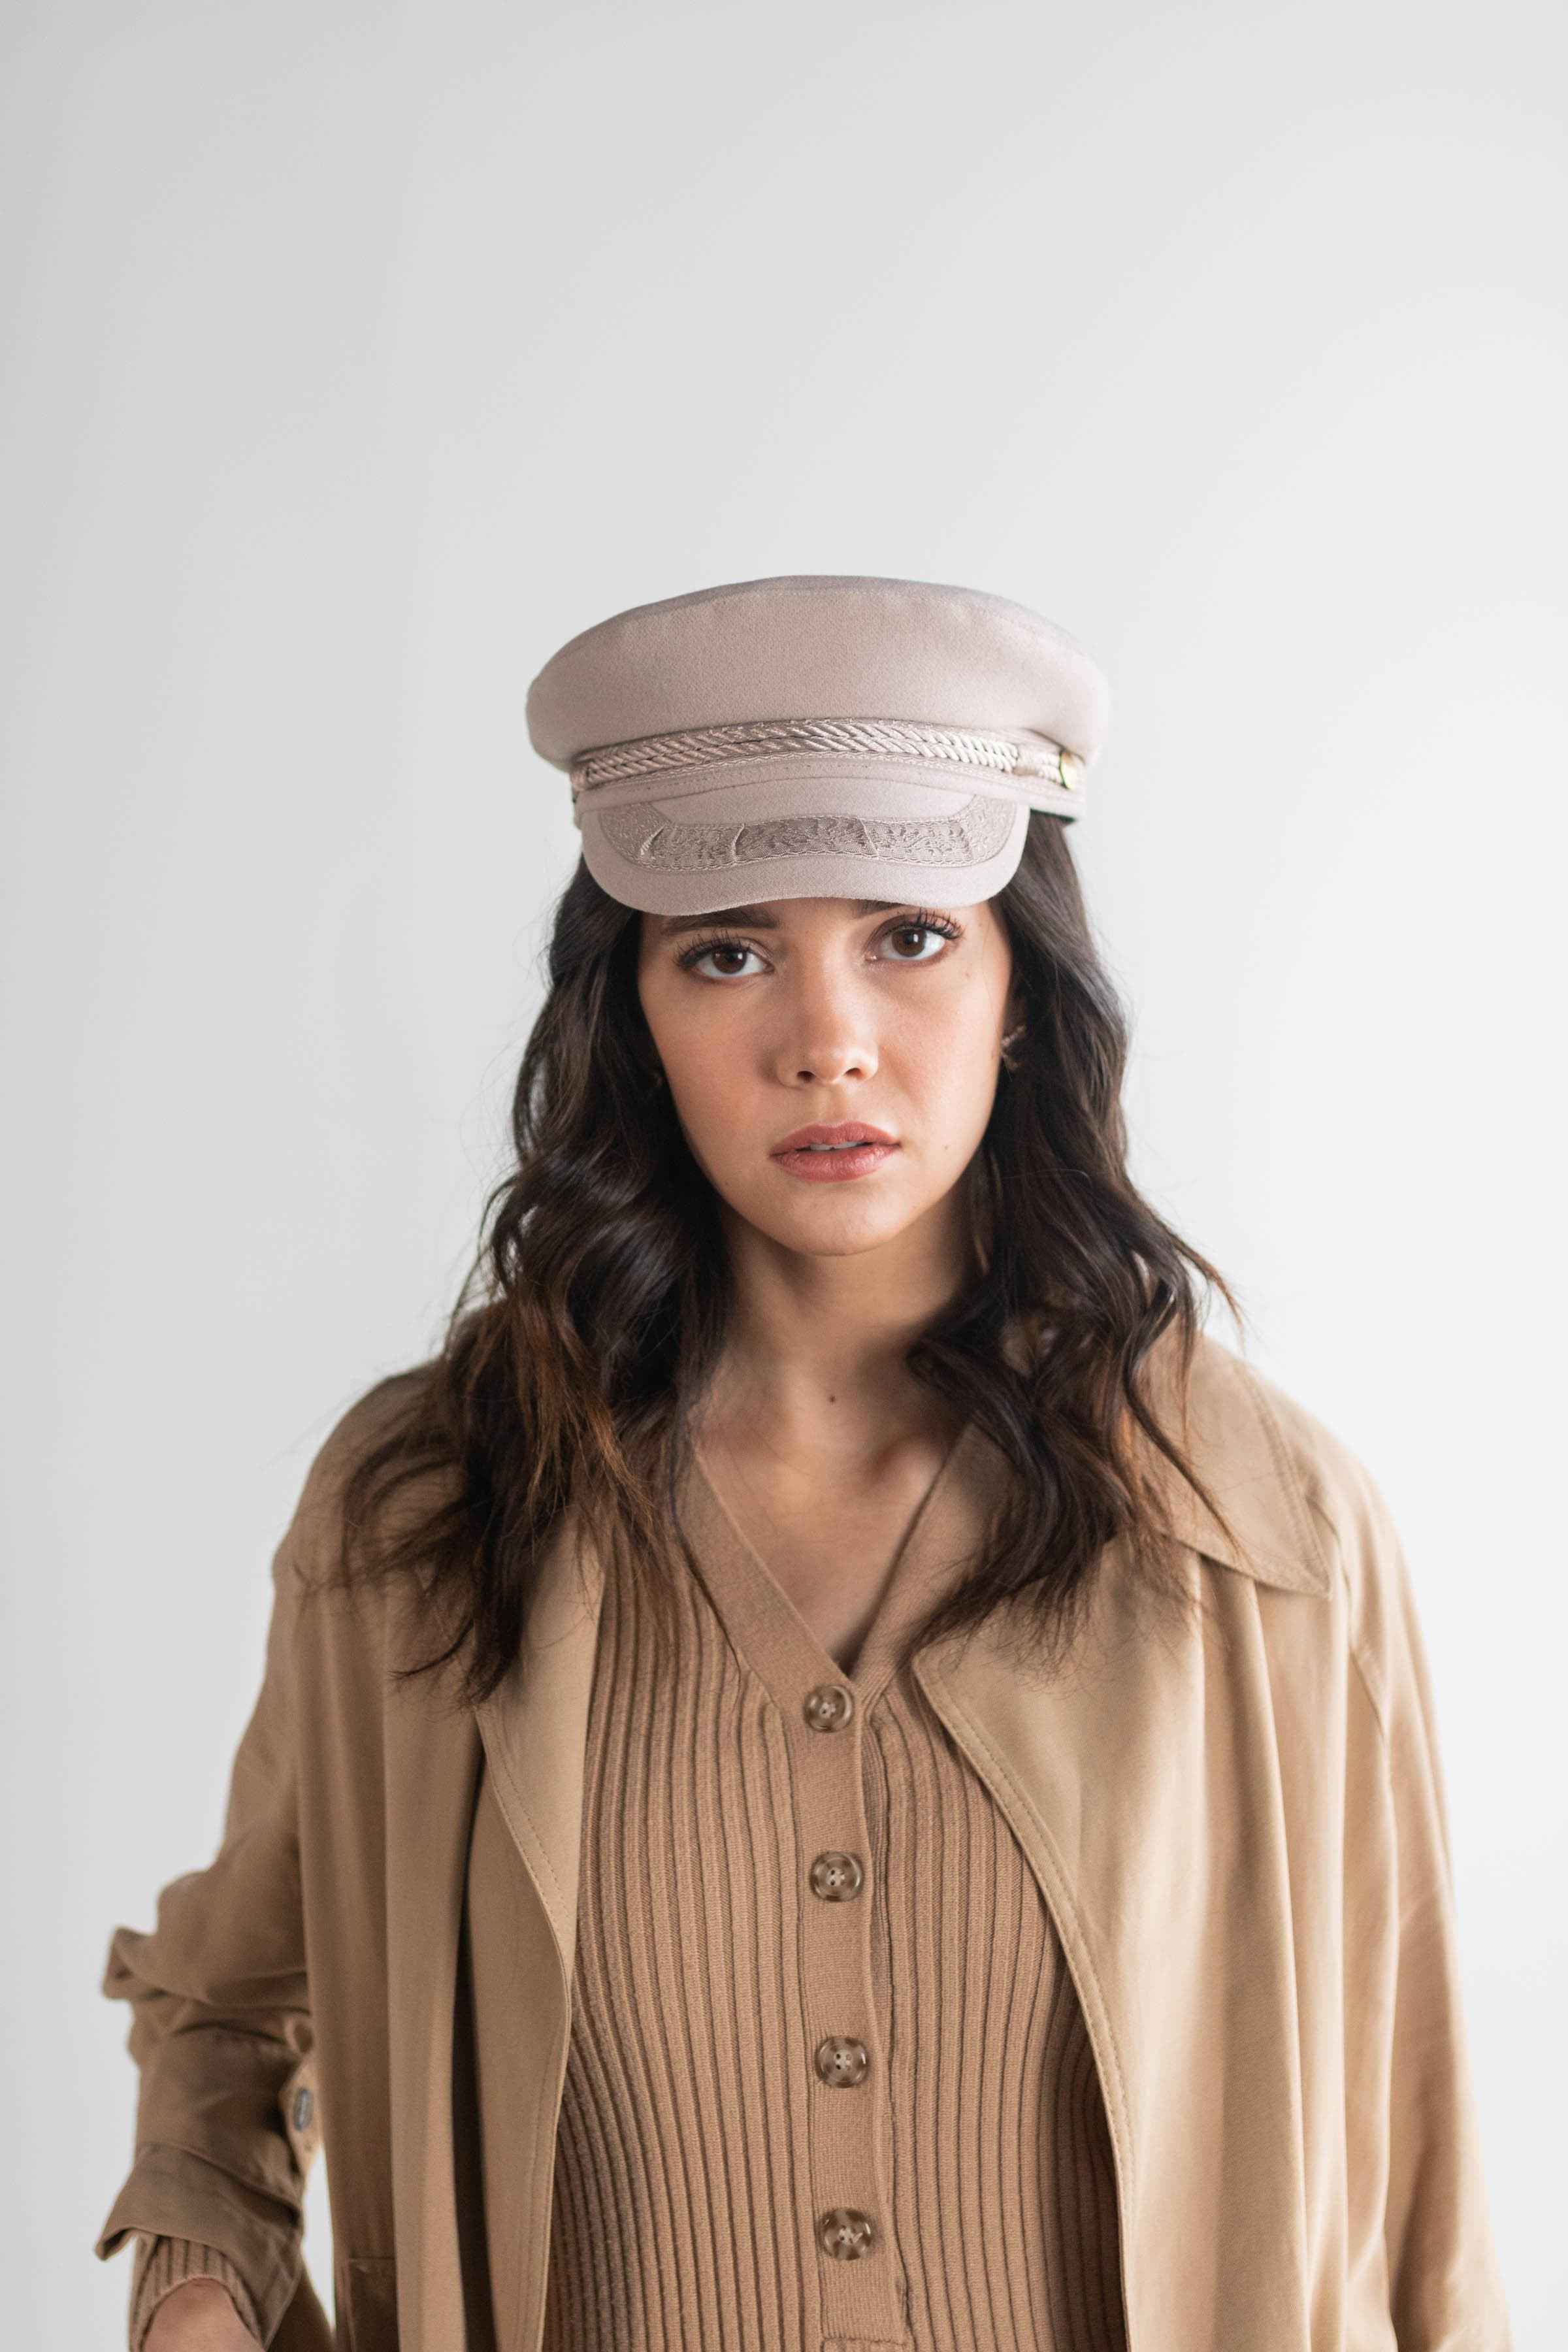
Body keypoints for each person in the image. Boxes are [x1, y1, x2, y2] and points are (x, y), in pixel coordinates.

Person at [93, 574, 1512, 2351]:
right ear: (638, 1013)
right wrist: (199, 2293)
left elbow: (1426, 2185)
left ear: (1019, 989)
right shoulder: (429, 1509)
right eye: (730, 950)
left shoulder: (1264, 1534)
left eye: (910, 935)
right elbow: (231, 2015)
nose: (826, 1036)